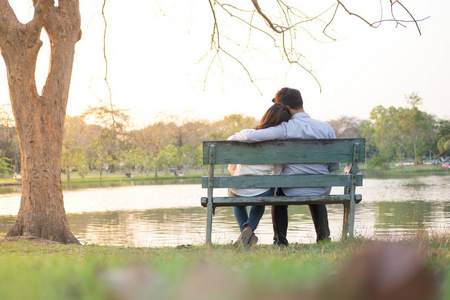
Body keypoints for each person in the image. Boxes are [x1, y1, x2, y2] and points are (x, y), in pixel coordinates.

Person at [229, 87, 340, 245]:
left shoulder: (284, 128)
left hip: (290, 188)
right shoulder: (326, 128)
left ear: (284, 107)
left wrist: (235, 136)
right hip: (320, 186)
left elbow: (253, 135)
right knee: (317, 193)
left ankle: (280, 240)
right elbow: (335, 165)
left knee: (278, 194)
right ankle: (323, 239)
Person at [228, 103, 291, 247]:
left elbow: (232, 165)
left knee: (234, 197)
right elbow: (277, 172)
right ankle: (249, 228)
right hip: (261, 190)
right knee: (261, 198)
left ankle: (245, 233)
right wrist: (274, 189)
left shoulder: (246, 136)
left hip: (238, 188)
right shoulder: (278, 143)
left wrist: (233, 172)